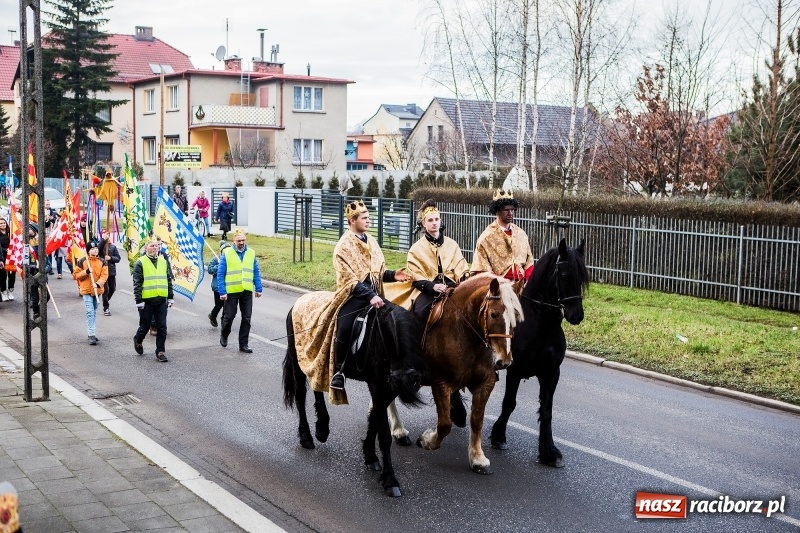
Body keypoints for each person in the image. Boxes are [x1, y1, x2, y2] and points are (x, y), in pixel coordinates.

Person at [329, 199, 410, 391]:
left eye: (368, 217)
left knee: (398, 319)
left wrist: (392, 275)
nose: (368, 221)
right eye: (364, 218)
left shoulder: (371, 240)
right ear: (352, 220)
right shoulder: (343, 246)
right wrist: (369, 296)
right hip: (354, 297)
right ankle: (339, 371)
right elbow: (349, 279)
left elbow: (375, 271)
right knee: (344, 325)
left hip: (376, 295)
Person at [406, 200, 469, 322]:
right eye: (430, 220)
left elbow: (461, 267)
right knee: (419, 312)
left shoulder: (452, 244)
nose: (434, 223)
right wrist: (433, 286)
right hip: (429, 290)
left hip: (453, 287)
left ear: (440, 221)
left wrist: (463, 284)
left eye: (436, 219)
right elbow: (414, 275)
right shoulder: (416, 249)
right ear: (424, 223)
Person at [470, 189, 534, 284]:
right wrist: (502, 283)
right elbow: (481, 269)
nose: (510, 213)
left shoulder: (521, 234)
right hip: (499, 289)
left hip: (522, 286)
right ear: (497, 211)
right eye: (506, 210)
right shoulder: (486, 237)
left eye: (512, 209)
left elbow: (529, 261)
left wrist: (529, 282)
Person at [218, 229, 262, 352]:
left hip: (246, 290)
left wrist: (258, 288)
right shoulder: (227, 253)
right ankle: (224, 334)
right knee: (229, 317)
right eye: (239, 240)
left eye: (243, 240)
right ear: (234, 241)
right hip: (231, 291)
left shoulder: (251, 253)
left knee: (247, 318)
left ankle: (243, 344)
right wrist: (222, 291)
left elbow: (256, 271)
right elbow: (220, 274)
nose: (241, 242)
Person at [133, 237, 174, 362]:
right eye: (151, 246)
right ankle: (138, 340)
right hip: (147, 301)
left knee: (162, 327)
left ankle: (160, 351)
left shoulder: (163, 261)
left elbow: (168, 280)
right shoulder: (140, 262)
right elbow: (137, 283)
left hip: (161, 300)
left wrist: (170, 297)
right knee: (145, 326)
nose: (154, 248)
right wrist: (139, 301)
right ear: (146, 248)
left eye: (156, 246)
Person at [74, 239, 108, 345]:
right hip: (86, 290)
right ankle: (91, 334)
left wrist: (98, 284)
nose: (95, 250)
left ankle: (92, 332)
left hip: (97, 290)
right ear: (88, 251)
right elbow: (76, 275)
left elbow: (104, 275)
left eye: (96, 248)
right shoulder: (82, 261)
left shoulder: (102, 261)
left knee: (93, 311)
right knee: (89, 311)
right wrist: (86, 272)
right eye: (92, 249)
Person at [206, 240, 230, 327]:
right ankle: (213, 315)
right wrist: (218, 266)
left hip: (228, 287)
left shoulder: (231, 260)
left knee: (227, 306)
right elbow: (210, 270)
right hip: (217, 287)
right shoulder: (216, 259)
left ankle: (224, 322)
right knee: (219, 304)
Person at [98, 229, 121, 316]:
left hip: (111, 271)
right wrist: (103, 240)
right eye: (105, 235)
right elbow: (98, 249)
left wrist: (110, 258)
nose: (107, 236)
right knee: (105, 290)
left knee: (112, 289)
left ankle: (105, 299)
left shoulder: (113, 247)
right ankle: (106, 308)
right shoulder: (100, 246)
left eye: (108, 234)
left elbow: (118, 258)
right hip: (103, 271)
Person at [0, 218, 16, 301]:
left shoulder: (10, 233)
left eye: (4, 223)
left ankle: (11, 290)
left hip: (11, 257)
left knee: (12, 274)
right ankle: (3, 292)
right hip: (3, 257)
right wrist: (4, 250)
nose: (3, 224)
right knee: (3, 275)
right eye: (1, 223)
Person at [43, 200, 58, 274]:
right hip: (43, 233)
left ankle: (50, 267)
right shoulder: (41, 211)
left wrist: (52, 218)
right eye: (46, 204)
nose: (48, 205)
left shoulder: (52, 212)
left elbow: (56, 221)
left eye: (49, 204)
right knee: (44, 251)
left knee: (49, 251)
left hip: (50, 233)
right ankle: (45, 266)